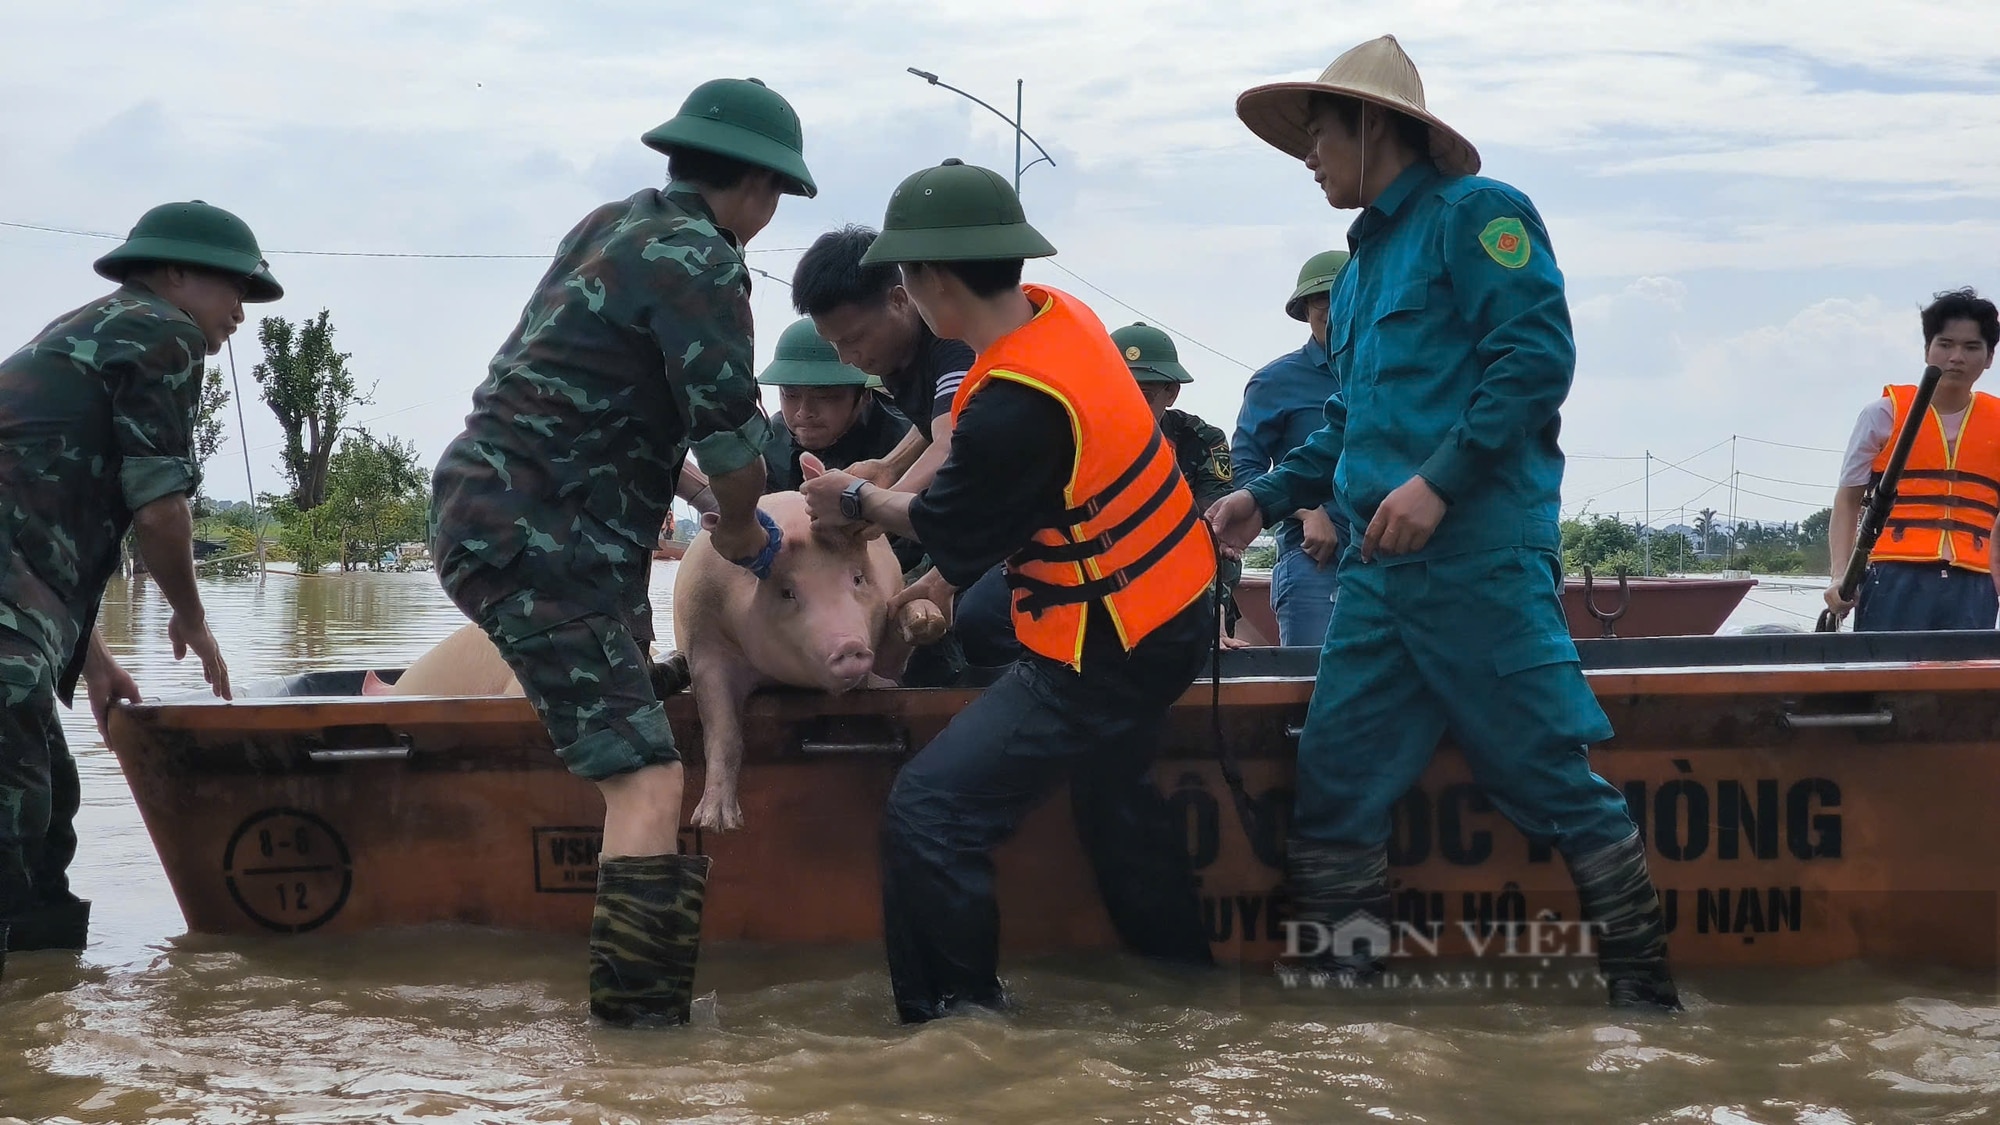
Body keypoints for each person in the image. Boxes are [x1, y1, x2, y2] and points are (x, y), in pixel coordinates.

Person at [1210, 35, 1680, 1009]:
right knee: (1333, 782)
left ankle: (1647, 1002)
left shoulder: (1477, 215)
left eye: (1318, 132)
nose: (1306, 156)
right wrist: (1264, 495)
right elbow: (1349, 420)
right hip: (1377, 583)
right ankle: (1343, 1015)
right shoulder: (1357, 273)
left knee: (1550, 775)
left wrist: (1439, 482)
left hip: (1475, 560)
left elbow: (1532, 357)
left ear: (1375, 125)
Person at [428, 77, 814, 1027]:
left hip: (514, 514)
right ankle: (638, 1048)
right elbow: (729, 447)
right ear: (761, 189)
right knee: (647, 777)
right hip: (542, 535)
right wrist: (739, 528)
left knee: (639, 702)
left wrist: (697, 499)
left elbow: (603, 407)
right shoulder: (705, 257)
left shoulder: (612, 223)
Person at [798, 159, 1219, 1023]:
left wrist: (855, 499)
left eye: (909, 278)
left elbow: (954, 527)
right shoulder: (1061, 322)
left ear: (929, 282)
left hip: (1105, 645)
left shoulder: (1015, 401)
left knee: (929, 811)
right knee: (1114, 797)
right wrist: (887, 484)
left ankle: (964, 1028)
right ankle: (1189, 993)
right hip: (1171, 609)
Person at [0, 200, 265, 954]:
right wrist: (191, 615)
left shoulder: (96, 330)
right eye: (235, 289)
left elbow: (32, 519)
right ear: (176, 273)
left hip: (25, 613)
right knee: (15, 823)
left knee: (46, 806)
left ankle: (36, 1034)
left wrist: (94, 658)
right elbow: (160, 509)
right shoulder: (163, 332)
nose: (241, 314)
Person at [1824, 288, 2000, 631]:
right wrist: (1839, 576)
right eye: (1945, 344)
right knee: (1888, 682)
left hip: (1975, 582)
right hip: (1892, 576)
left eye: (1971, 347)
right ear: (1927, 350)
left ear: (1989, 357)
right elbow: (1847, 501)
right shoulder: (1883, 414)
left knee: (1963, 685)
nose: (1956, 357)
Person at [791, 225, 975, 495]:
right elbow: (941, 416)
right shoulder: (893, 350)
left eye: (853, 339)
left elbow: (951, 440)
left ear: (898, 300)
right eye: (833, 342)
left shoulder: (955, 339)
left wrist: (875, 505)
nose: (845, 358)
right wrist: (888, 467)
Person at [1233, 251, 1351, 646]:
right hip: (1315, 560)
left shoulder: (1389, 375)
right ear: (1304, 309)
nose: (1334, 309)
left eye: (1345, 293)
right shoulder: (1274, 381)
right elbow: (1243, 473)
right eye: (1321, 299)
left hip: (1392, 555)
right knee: (1311, 688)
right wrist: (1305, 510)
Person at [1109, 321, 1245, 646]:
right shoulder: (1074, 440)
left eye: (1144, 394)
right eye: (1117, 387)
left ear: (1171, 392)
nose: (1129, 402)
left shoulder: (1200, 440)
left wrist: (1212, 618)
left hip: (1182, 582)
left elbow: (1213, 530)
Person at [759, 318, 910, 493]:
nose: (804, 412)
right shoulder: (767, 444)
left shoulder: (903, 442)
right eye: (790, 395)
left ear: (864, 393)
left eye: (825, 396)